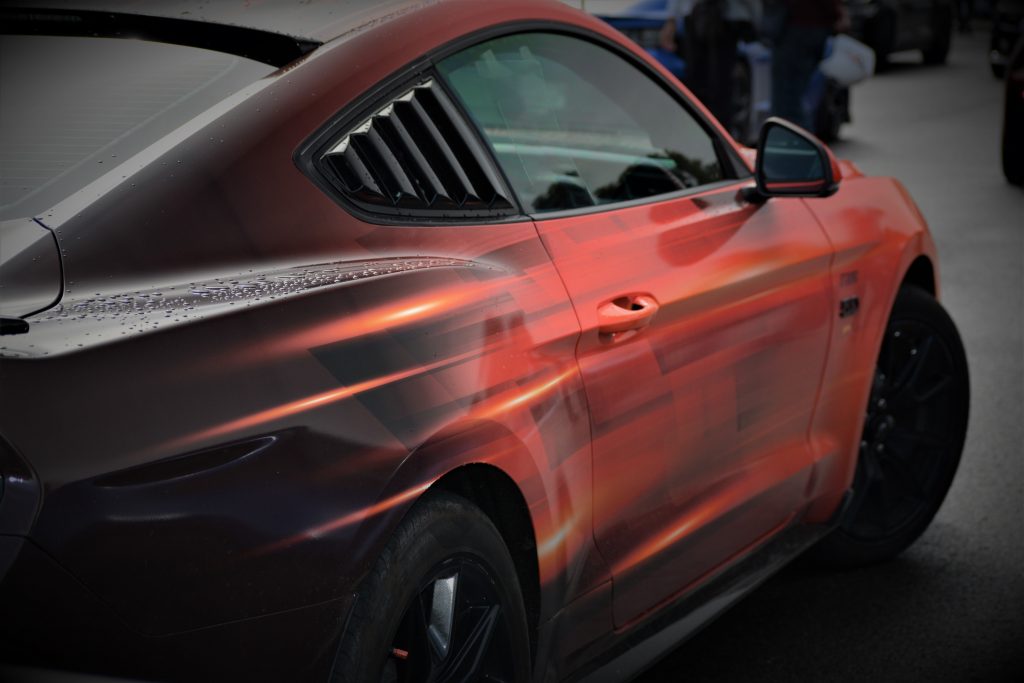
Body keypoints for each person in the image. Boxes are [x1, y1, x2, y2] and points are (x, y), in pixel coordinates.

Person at [660, 0, 760, 132]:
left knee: (720, 90)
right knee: (699, 90)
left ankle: (720, 138)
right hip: (699, 17)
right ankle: (700, 134)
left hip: (726, 19)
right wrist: (671, 19)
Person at [769, 0, 847, 131]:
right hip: (808, 29)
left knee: (788, 100)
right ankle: (795, 138)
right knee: (793, 97)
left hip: (798, 29)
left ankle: (799, 140)